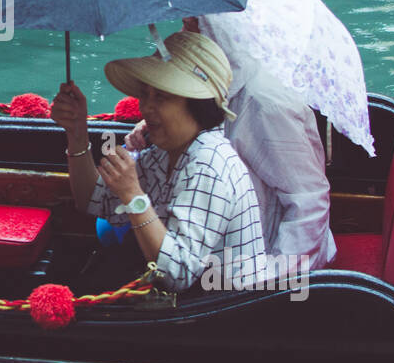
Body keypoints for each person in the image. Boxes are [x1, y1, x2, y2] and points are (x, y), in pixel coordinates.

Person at [51, 30, 266, 293]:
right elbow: (93, 200)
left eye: (161, 97)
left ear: (197, 105)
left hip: (215, 316)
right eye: (146, 94)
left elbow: (178, 274)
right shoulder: (164, 152)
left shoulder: (208, 163)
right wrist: (76, 132)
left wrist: (133, 195)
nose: (146, 107)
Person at [126, 18, 335, 270]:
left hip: (265, 261)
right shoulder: (204, 91)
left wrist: (275, 283)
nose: (181, 34)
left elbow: (308, 201)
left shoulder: (266, 103)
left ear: (221, 31)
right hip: (207, 241)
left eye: (192, 27)